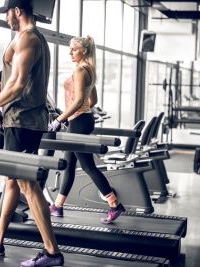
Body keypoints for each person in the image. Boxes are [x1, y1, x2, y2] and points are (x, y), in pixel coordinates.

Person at [0, 0, 63, 266]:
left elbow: (20, 83)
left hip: (21, 122)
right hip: (25, 121)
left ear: (18, 11)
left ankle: (52, 253)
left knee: (27, 185)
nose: (5, 19)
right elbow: (17, 79)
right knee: (11, 182)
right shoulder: (36, 39)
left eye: (7, 13)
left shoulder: (27, 39)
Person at [48, 35, 126, 224]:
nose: (70, 52)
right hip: (82, 119)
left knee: (87, 166)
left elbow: (77, 101)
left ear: (84, 51)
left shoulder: (80, 70)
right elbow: (93, 101)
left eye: (73, 49)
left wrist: (60, 119)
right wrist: (77, 114)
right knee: (68, 164)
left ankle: (114, 204)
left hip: (78, 121)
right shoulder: (90, 70)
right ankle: (57, 205)